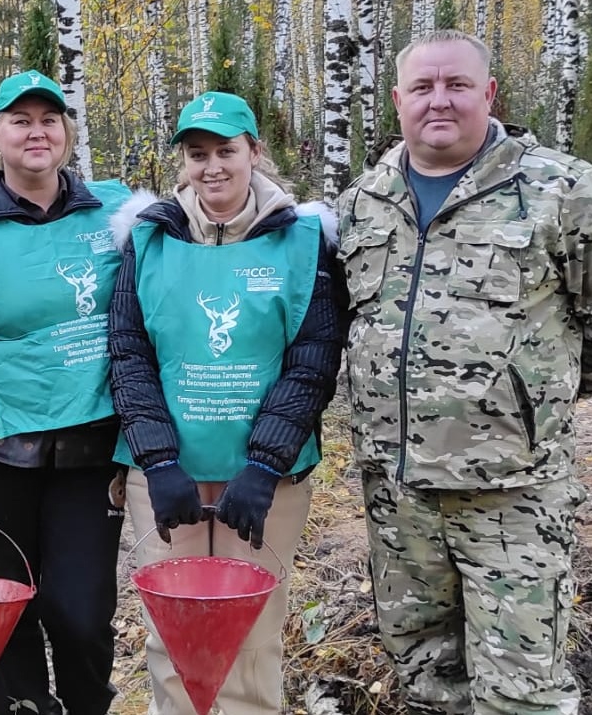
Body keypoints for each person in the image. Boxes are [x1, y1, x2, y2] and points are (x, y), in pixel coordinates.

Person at [336, 29, 592, 715]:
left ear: (488, 94)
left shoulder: (562, 189)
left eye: (457, 85)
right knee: (425, 672)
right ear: (397, 100)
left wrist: (532, 396)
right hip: (397, 494)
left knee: (522, 691)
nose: (439, 101)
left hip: (512, 496)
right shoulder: (363, 202)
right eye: (422, 88)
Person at [109, 91, 345, 715]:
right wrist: (158, 461)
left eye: (226, 151)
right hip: (166, 477)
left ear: (254, 153)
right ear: (183, 161)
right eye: (197, 154)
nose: (212, 166)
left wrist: (266, 464)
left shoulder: (302, 242)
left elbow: (313, 356)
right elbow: (128, 353)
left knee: (252, 635)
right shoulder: (149, 240)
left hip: (265, 480)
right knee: (172, 636)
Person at [0, 71, 130, 715]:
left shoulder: (119, 210)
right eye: (20, 120)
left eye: (50, 118)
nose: (36, 131)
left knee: (80, 611)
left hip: (92, 455)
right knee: (5, 612)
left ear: (67, 131)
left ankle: (89, 704)